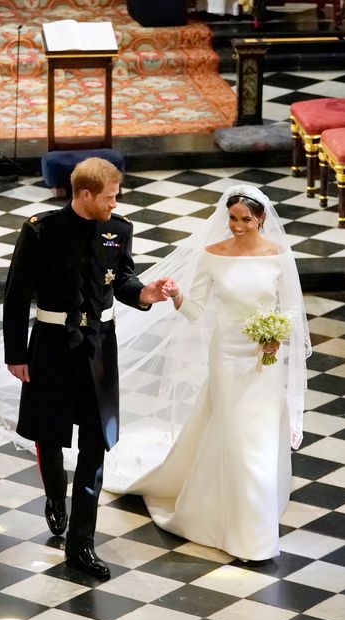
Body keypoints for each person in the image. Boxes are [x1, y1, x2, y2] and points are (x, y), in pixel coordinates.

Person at [112, 185, 309, 561]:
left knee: (260, 439)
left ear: (262, 218)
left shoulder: (279, 256)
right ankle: (246, 532)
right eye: (232, 218)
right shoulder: (212, 256)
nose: (237, 226)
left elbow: (290, 311)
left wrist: (276, 338)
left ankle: (253, 523)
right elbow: (195, 309)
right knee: (237, 436)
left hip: (263, 360)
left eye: (245, 219)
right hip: (227, 357)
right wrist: (176, 295)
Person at [3, 157, 173, 578]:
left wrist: (145, 294)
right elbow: (16, 293)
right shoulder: (41, 230)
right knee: (49, 433)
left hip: (99, 349)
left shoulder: (119, 230)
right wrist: (16, 354)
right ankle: (54, 495)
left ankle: (81, 544)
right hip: (51, 347)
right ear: (84, 195)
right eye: (109, 199)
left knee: (95, 444)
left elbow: (123, 279)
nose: (115, 205)